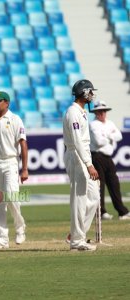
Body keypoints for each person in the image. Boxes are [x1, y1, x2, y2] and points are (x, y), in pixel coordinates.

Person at [0, 91, 28, 249]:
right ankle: (2, 238)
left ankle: (20, 227)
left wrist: (24, 169)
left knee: (11, 197)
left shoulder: (15, 119)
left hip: (10, 162)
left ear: (7, 103)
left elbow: (23, 143)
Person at [63, 79, 100, 251]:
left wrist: (89, 162)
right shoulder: (73, 112)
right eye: (90, 92)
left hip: (83, 156)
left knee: (93, 197)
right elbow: (77, 141)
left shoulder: (82, 112)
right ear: (84, 93)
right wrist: (88, 164)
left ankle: (77, 234)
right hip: (76, 156)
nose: (92, 95)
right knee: (79, 199)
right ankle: (77, 241)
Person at [89, 100, 130, 220]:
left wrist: (106, 135)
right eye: (99, 112)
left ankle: (122, 212)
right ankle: (101, 212)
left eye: (103, 111)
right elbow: (98, 141)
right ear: (96, 113)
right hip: (97, 156)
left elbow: (119, 136)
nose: (102, 114)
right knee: (99, 186)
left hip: (108, 157)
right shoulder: (93, 124)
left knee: (114, 184)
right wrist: (111, 136)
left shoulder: (110, 123)